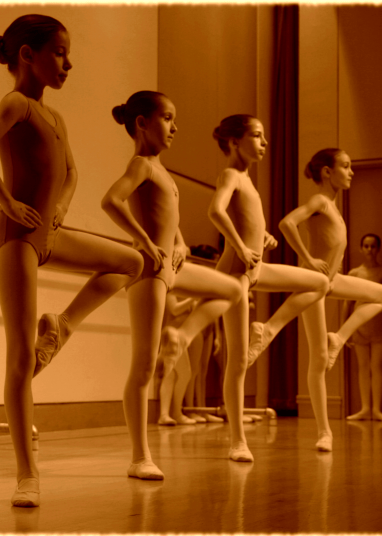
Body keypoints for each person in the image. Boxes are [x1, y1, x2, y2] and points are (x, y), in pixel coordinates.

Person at [0, 15, 143, 507]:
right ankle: (26, 474)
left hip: (46, 232)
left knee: (131, 262)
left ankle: (61, 325)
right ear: (27, 55)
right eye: (59, 52)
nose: (68, 62)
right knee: (20, 356)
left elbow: (73, 170)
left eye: (67, 52)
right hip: (16, 236)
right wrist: (3, 199)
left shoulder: (55, 117)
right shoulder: (16, 104)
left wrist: (59, 209)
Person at [102, 91, 242, 476]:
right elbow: (111, 201)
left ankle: (183, 334)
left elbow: (169, 216)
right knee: (144, 366)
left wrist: (179, 242)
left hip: (171, 266)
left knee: (232, 289)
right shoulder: (141, 165)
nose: (174, 127)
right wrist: (144, 241)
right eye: (166, 118)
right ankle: (139, 456)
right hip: (149, 270)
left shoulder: (162, 171)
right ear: (142, 123)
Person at [207, 115, 329, 456]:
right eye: (257, 136)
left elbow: (243, 218)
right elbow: (215, 211)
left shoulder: (246, 179)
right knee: (237, 362)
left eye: (264, 137)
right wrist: (242, 246)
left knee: (319, 282)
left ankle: (268, 329)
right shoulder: (231, 174)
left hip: (257, 268)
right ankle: (237, 441)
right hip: (237, 275)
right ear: (234, 142)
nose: (263, 143)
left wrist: (260, 237)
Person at [279, 148, 382, 451]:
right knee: (317, 361)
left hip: (332, 280)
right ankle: (324, 432)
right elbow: (287, 223)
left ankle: (339, 338)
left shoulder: (332, 206)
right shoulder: (319, 200)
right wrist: (306, 257)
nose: (351, 172)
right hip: (313, 282)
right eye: (345, 166)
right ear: (327, 172)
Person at [340, 234, 382, 421]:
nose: (369, 250)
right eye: (366, 246)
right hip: (359, 322)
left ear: (378, 249)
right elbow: (347, 303)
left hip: (379, 322)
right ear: (361, 248)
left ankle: (377, 409)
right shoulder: (354, 273)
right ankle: (365, 407)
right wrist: (344, 330)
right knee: (362, 366)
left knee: (377, 366)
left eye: (372, 246)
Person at [157, 292, 197, 426]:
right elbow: (174, 309)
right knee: (178, 374)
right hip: (172, 333)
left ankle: (170, 413)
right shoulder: (171, 288)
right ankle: (171, 413)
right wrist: (192, 298)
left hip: (180, 334)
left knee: (176, 374)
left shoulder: (185, 291)